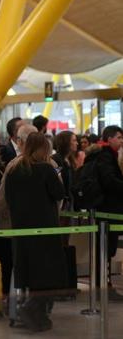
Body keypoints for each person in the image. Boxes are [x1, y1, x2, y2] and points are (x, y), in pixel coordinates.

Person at [5, 132, 66, 332]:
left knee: (29, 274)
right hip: (45, 231)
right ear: (43, 149)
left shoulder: (13, 171)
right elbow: (59, 193)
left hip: (22, 232)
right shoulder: (46, 170)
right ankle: (30, 308)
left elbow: (8, 200)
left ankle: (36, 316)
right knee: (49, 274)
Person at [0, 124, 39, 293]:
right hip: (42, 225)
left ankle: (18, 302)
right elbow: (59, 195)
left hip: (16, 223)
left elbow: (2, 196)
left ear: (20, 141)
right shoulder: (50, 162)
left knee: (18, 263)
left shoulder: (14, 165)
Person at [93, 125, 123, 300]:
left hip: (108, 209)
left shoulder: (107, 156)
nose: (121, 141)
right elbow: (109, 181)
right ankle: (103, 287)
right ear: (109, 138)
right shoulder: (105, 157)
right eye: (118, 137)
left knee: (107, 250)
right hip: (107, 210)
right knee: (105, 249)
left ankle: (105, 285)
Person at [52, 131, 78, 212]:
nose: (77, 143)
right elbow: (55, 178)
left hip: (70, 201)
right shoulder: (56, 160)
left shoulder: (70, 159)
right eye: (74, 140)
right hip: (62, 203)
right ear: (66, 142)